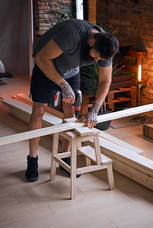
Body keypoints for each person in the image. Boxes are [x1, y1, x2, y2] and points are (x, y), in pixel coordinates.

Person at [25, 19, 119, 182]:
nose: (96, 61)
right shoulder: (71, 34)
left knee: (71, 111)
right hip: (46, 66)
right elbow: (41, 58)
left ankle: (64, 157)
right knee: (39, 111)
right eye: (95, 56)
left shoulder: (105, 45)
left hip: (70, 69)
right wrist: (62, 83)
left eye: (99, 59)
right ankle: (32, 159)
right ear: (90, 42)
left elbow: (105, 81)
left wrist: (95, 110)